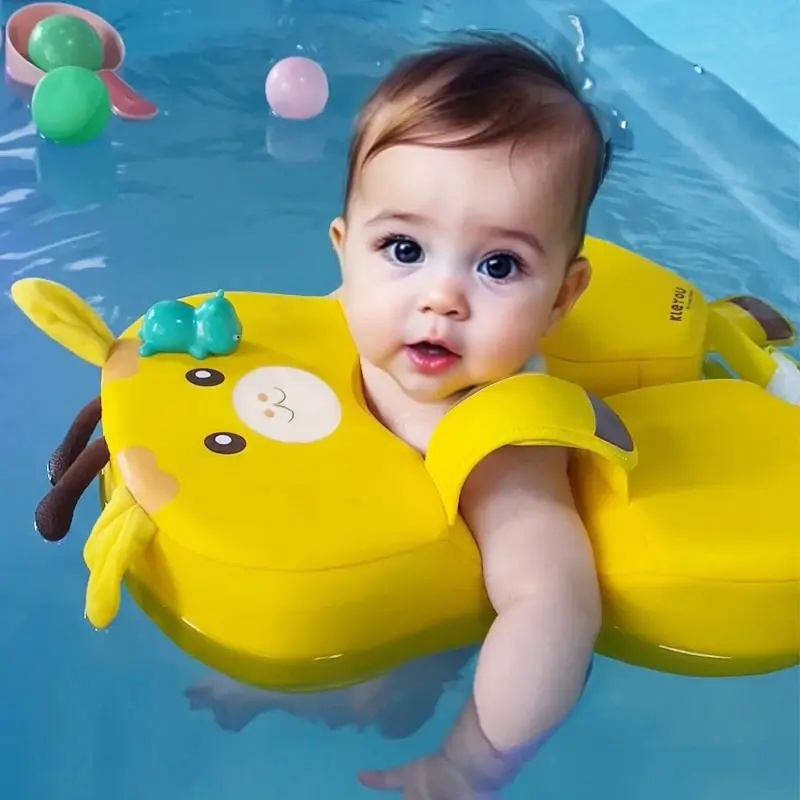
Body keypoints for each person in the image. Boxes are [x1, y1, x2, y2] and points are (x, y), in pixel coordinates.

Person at [186, 32, 611, 798]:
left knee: (371, 693)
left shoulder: (498, 446)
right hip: (333, 544)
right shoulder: (348, 319)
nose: (441, 296)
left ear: (562, 298)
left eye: (499, 265)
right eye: (404, 248)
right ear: (345, 254)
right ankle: (266, 685)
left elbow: (554, 607)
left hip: (412, 645)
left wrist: (470, 766)